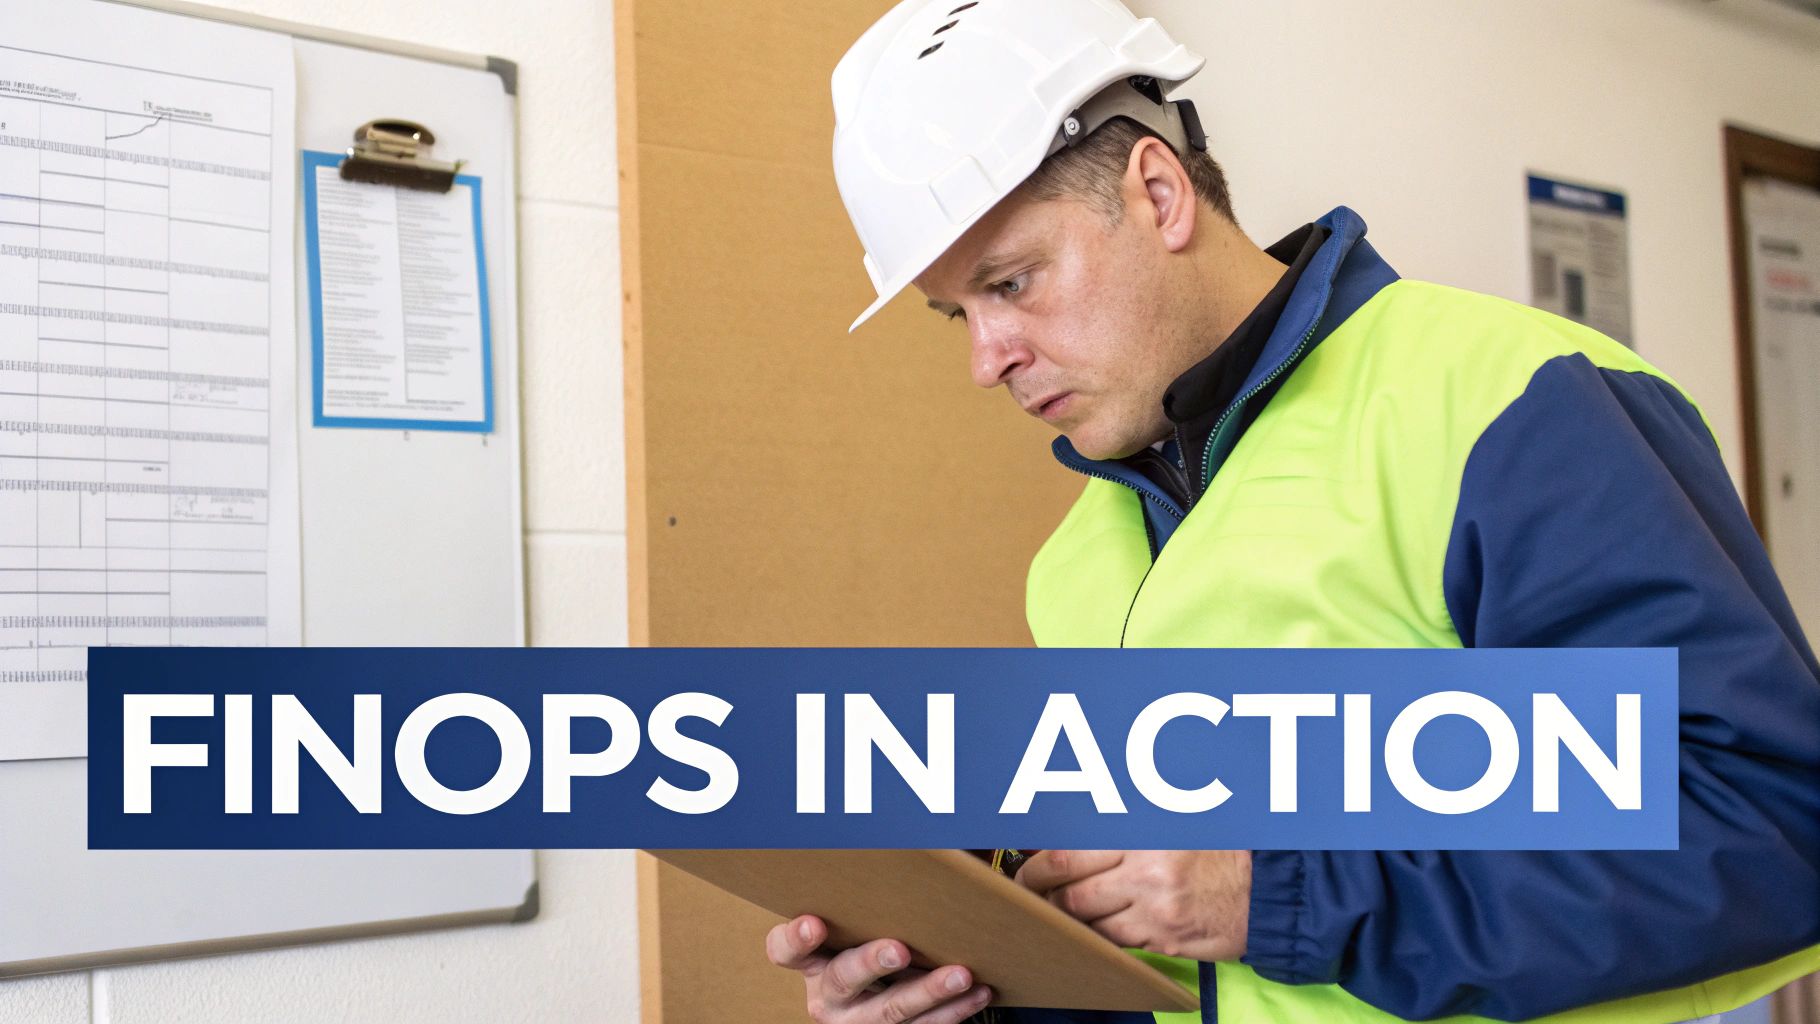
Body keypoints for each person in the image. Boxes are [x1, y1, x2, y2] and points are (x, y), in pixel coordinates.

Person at [765, 1, 1820, 1021]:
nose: (984, 359)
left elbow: (1771, 820)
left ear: (1158, 193)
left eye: (1010, 283)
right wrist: (968, 983)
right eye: (956, 313)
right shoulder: (1080, 565)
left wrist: (1283, 894)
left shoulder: (1508, 407)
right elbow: (1179, 962)